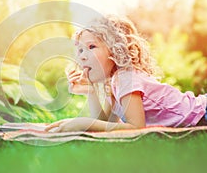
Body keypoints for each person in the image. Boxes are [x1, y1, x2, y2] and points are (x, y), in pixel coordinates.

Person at [45, 15, 207, 132]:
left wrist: (86, 123)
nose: (82, 55)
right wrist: (91, 92)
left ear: (115, 51)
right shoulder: (113, 83)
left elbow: (136, 127)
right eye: (80, 50)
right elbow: (105, 124)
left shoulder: (125, 78)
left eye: (91, 47)